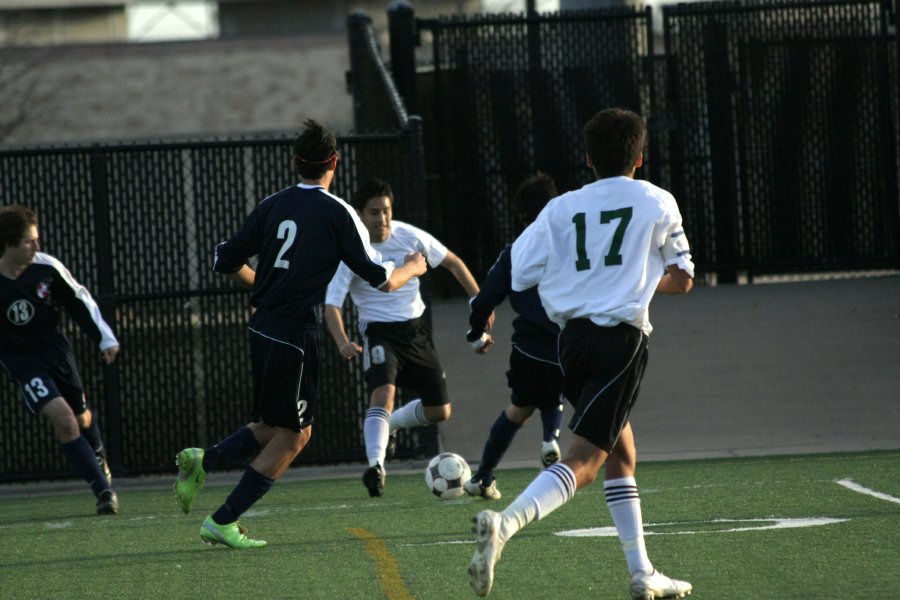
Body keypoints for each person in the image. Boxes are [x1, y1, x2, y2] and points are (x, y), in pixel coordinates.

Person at [467, 108, 695, 600]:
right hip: (621, 341)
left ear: (588, 159)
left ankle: (641, 572)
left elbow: (519, 270)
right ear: (641, 156)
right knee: (587, 461)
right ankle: (504, 526)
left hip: (568, 342)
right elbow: (683, 277)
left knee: (621, 452)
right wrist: (639, 277)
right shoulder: (659, 200)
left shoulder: (560, 207)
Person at [173, 120, 427, 549]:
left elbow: (225, 258)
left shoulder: (273, 203)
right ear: (334, 163)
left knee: (272, 424)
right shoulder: (340, 212)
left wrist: (267, 286)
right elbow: (382, 279)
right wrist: (415, 267)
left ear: (296, 162)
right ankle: (223, 519)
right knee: (297, 434)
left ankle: (205, 460)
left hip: (262, 327)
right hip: (295, 333)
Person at [323, 177, 489, 498]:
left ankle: (394, 424)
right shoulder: (352, 248)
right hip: (378, 332)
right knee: (382, 395)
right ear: (360, 215)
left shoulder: (410, 236)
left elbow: (453, 263)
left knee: (440, 411)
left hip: (415, 332)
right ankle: (376, 466)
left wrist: (478, 303)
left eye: (386, 211)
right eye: (374, 212)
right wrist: (342, 340)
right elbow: (332, 304)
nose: (382, 218)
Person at [0, 204, 119, 515]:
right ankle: (104, 492)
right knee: (65, 422)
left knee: (82, 419)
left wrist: (104, 337)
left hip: (56, 352)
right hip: (22, 363)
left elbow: (79, 300)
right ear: (8, 244)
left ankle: (97, 453)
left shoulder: (46, 268)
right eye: (29, 241)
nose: (37, 247)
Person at [463, 173, 564, 501]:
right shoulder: (574, 246)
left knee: (519, 408)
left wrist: (477, 332)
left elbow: (484, 299)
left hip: (528, 350)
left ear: (521, 217)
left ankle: (483, 476)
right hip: (570, 344)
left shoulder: (515, 252)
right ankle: (551, 437)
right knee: (560, 393)